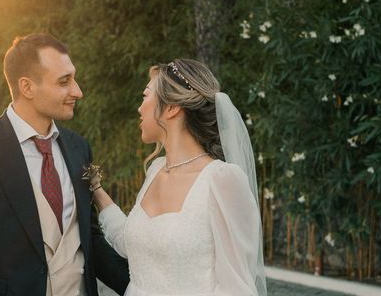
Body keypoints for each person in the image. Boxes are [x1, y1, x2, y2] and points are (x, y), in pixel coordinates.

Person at [0, 34, 130, 296]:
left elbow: (89, 238)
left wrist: (142, 288)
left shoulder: (78, 148)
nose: (77, 91)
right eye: (64, 82)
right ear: (27, 87)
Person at [90, 59, 266, 296]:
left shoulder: (222, 180)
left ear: (172, 107)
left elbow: (237, 289)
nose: (139, 108)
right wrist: (96, 191)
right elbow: (136, 246)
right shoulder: (156, 170)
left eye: (145, 96)